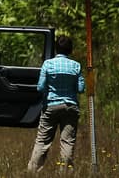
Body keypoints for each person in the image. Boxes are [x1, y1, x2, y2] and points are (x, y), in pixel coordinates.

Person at [27, 34, 85, 173]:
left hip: (51, 106)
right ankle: (64, 173)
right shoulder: (76, 66)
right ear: (70, 50)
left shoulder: (48, 64)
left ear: (56, 49)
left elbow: (40, 88)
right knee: (67, 142)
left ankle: (32, 172)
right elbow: (80, 89)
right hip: (70, 107)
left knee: (42, 141)